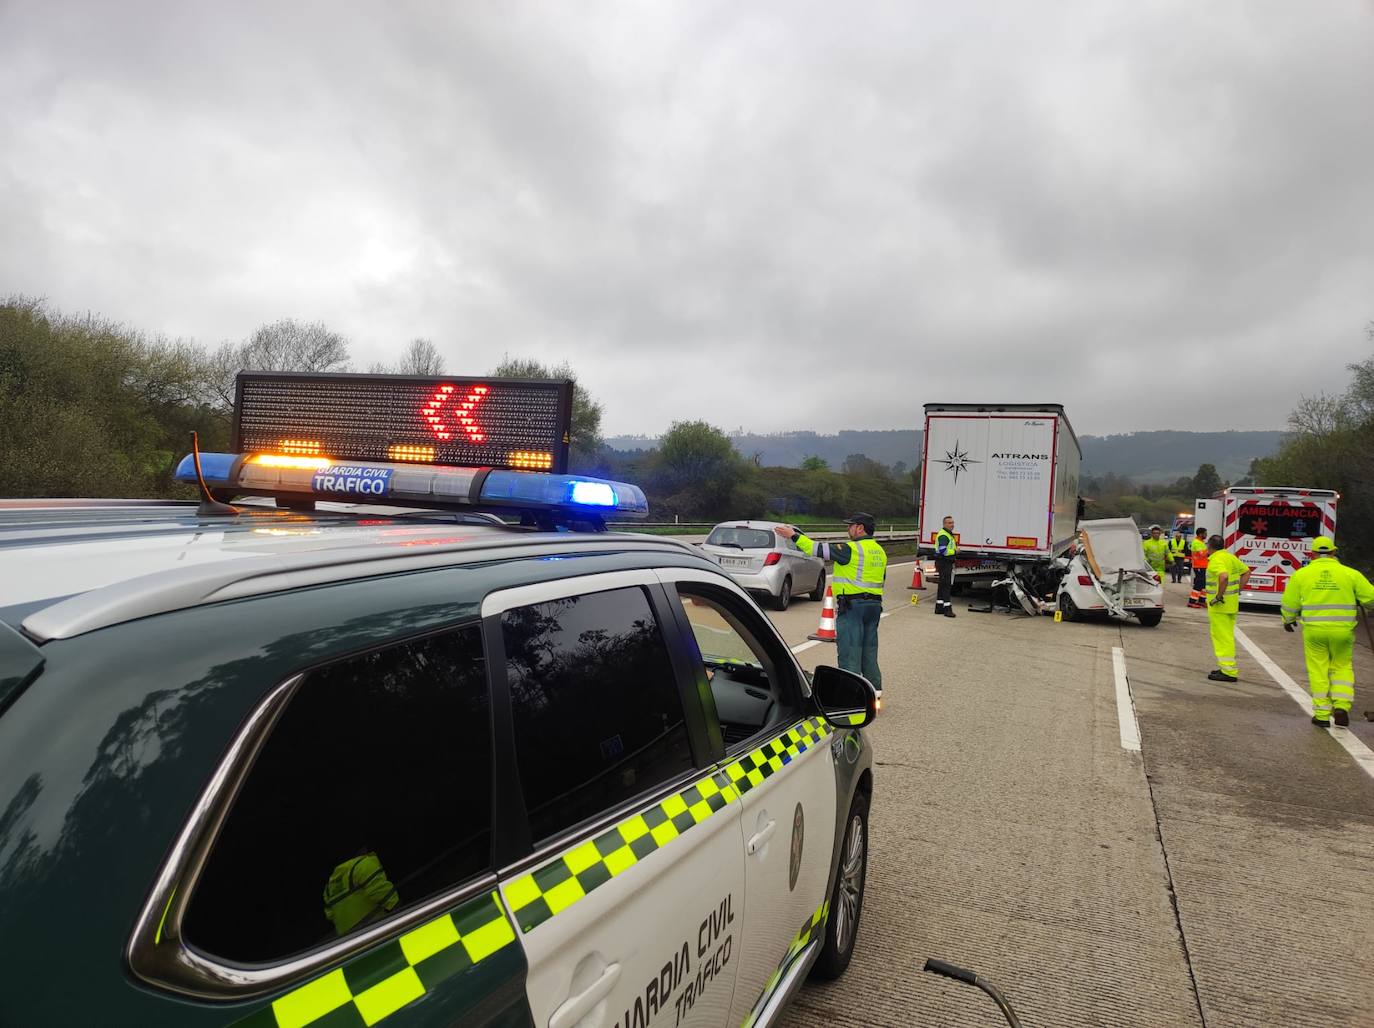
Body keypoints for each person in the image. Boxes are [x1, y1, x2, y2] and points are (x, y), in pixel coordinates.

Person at [776, 513, 887, 697]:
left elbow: (816, 549)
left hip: (853, 606)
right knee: (869, 649)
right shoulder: (879, 551)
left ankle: (850, 694)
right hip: (874, 606)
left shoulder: (851, 548)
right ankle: (875, 691)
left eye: (850, 526)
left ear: (860, 528)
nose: (848, 529)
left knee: (850, 650)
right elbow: (881, 579)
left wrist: (793, 535)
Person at [1280, 536, 1374, 728]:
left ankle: (1322, 714)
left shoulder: (1302, 574)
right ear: (1334, 552)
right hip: (1343, 632)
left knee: (1318, 669)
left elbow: (1290, 603)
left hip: (1315, 632)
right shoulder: (1350, 574)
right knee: (1342, 667)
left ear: (1312, 554)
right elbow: (1371, 599)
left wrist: (1288, 620)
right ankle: (1341, 706)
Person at [1205, 535, 1250, 682]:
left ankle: (1228, 671)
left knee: (1222, 638)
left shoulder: (1216, 560)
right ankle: (1226, 667)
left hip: (1220, 607)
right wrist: (1238, 591)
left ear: (1210, 546)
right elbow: (1246, 572)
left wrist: (1218, 596)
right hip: (1231, 605)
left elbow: (1223, 577)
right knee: (1227, 637)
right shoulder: (1230, 557)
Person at [323, 848, 399, 936]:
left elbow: (330, 915)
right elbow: (386, 896)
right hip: (377, 933)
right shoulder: (363, 865)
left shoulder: (330, 886)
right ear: (363, 849)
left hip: (350, 944)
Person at [934, 515, 958, 618]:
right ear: (944, 524)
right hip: (944, 562)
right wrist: (955, 551)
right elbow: (943, 550)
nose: (952, 525)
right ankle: (947, 610)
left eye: (952, 523)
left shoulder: (947, 534)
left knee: (942, 584)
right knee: (946, 586)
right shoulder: (944, 535)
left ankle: (939, 607)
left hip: (944, 562)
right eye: (949, 523)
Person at [1188, 528, 1209, 608]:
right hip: (1198, 566)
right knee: (1198, 584)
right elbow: (1202, 554)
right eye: (1205, 533)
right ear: (1200, 534)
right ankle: (1191, 601)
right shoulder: (1196, 542)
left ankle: (1201, 601)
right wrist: (1209, 550)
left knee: (1203, 584)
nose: (1206, 535)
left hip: (1202, 566)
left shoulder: (1201, 542)